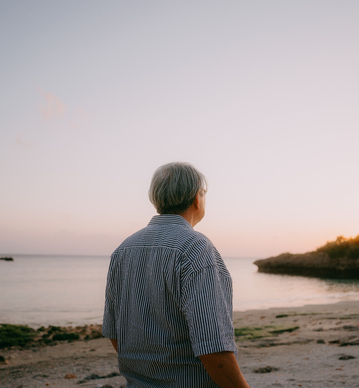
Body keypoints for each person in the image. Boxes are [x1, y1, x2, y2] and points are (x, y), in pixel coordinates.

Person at [102, 162, 249, 387]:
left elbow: (115, 332)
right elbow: (213, 347)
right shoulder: (196, 249)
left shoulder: (123, 251)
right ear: (196, 199)